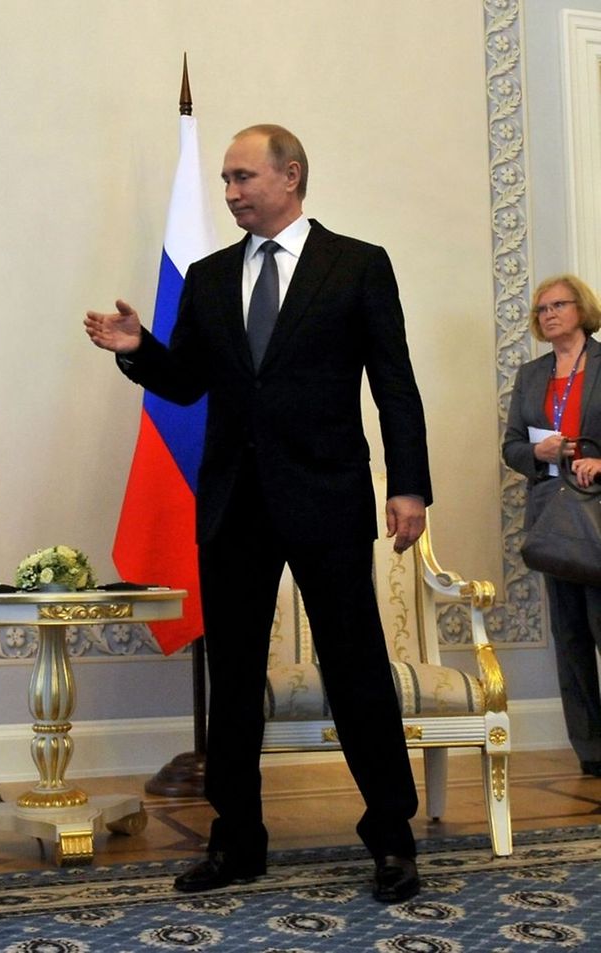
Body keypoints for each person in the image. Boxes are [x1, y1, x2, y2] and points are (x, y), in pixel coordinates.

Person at [84, 124, 431, 903]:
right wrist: (138, 347)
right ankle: (237, 839)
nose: (231, 191)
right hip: (235, 502)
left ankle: (391, 836)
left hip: (327, 497)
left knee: (356, 667)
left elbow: (395, 383)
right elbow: (185, 383)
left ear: (290, 175)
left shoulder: (358, 265)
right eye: (225, 180)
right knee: (235, 677)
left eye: (243, 177)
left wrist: (408, 485)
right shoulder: (209, 277)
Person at [502, 274, 601, 777]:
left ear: (581, 309)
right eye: (542, 309)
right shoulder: (531, 374)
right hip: (553, 514)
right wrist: (538, 453)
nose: (549, 314)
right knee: (570, 636)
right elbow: (512, 446)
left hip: (597, 510)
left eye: (558, 305)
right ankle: (592, 750)